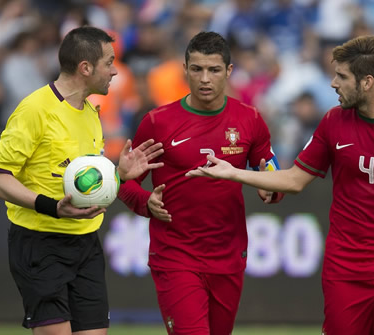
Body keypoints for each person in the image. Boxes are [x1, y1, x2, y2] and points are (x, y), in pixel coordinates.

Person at [186, 35, 374, 335]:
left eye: (342, 76)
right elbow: (293, 179)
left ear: (367, 82)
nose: (333, 83)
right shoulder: (333, 122)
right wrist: (235, 172)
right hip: (344, 269)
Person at [0, 26, 164, 335]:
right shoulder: (35, 109)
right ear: (86, 67)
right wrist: (52, 207)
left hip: (86, 244)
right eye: (109, 63)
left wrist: (118, 175)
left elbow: (84, 182)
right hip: (39, 243)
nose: (115, 72)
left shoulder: (90, 114)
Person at [118, 31, 283, 335]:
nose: (205, 78)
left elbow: (271, 173)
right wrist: (145, 203)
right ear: (185, 70)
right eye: (197, 69)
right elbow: (125, 183)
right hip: (175, 255)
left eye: (214, 69)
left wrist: (271, 190)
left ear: (229, 72)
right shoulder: (158, 122)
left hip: (229, 256)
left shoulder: (250, 119)